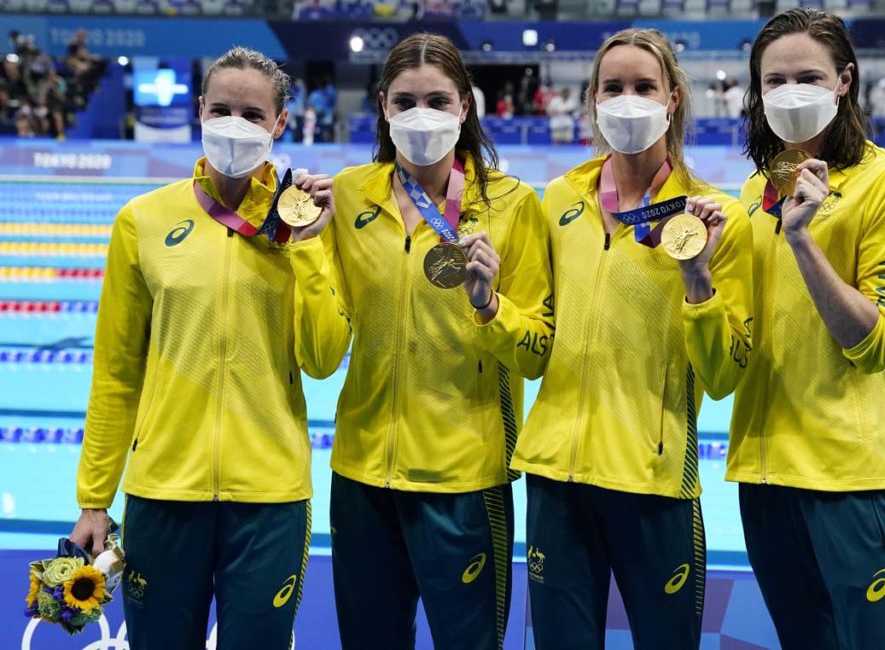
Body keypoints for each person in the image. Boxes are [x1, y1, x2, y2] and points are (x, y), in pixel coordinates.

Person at [69, 47, 340, 649]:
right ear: (199, 111)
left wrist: (311, 246)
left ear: (280, 125)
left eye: (252, 114)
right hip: (164, 492)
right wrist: (94, 500)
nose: (235, 126)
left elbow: (322, 360)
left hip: (269, 498)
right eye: (221, 110)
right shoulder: (142, 221)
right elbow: (117, 373)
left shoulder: (302, 221)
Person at [304, 32, 554, 650]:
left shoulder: (513, 205)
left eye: (439, 101)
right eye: (407, 100)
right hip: (361, 475)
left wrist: (488, 306)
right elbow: (322, 348)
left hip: (465, 481)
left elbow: (537, 353)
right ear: (384, 106)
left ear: (465, 108)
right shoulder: (350, 194)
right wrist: (307, 241)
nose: (423, 115)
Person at [511, 27, 754, 649]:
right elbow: (540, 335)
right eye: (612, 87)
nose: (627, 100)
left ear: (672, 98)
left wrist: (697, 279)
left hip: (653, 482)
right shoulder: (562, 199)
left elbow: (725, 377)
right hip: (556, 477)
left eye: (643, 86)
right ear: (591, 99)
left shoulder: (712, 217)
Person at [733, 8, 885, 649]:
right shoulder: (753, 194)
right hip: (767, 474)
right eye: (774, 81)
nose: (790, 92)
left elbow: (877, 342)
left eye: (808, 76)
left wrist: (802, 241)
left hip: (861, 475)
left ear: (844, 81)